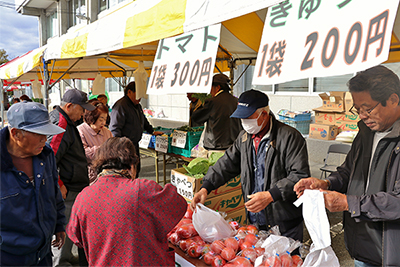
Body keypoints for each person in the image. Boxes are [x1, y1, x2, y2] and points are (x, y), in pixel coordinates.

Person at [294, 65, 400, 266]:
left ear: (393, 100)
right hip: (361, 246)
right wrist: (325, 183)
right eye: (357, 109)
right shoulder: (366, 132)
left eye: (368, 109)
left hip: (391, 253)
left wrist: (349, 204)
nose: (362, 115)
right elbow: (348, 171)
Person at [191, 89, 310, 242]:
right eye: (242, 118)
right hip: (255, 220)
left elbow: (299, 176)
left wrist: (271, 195)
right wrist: (205, 187)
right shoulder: (244, 138)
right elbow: (226, 163)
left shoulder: (290, 137)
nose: (244, 122)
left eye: (248, 117)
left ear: (264, 115)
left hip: (284, 222)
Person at [66, 137, 187, 266]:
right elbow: (178, 204)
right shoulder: (142, 190)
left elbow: (76, 237)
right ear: (132, 164)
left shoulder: (83, 197)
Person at [1, 101, 66, 266]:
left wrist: (59, 224)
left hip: (43, 254)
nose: (45, 140)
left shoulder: (46, 154)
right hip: (8, 258)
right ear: (15, 133)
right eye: (39, 134)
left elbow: (54, 193)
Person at [47, 88, 95, 267]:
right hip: (67, 188)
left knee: (70, 227)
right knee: (64, 227)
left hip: (73, 185)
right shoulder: (61, 124)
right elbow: (49, 157)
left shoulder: (66, 122)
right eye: (81, 109)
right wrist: (59, 183)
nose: (83, 113)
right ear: (69, 106)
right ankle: (60, 262)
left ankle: (66, 258)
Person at [109, 81, 162, 177]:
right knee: (126, 172)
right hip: (124, 147)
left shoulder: (137, 106)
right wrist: (120, 147)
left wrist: (152, 131)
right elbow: (115, 129)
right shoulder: (121, 106)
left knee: (136, 170)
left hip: (134, 144)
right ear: (129, 92)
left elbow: (143, 120)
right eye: (138, 94)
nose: (140, 98)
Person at [191, 73, 242, 150]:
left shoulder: (212, 102)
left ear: (218, 87)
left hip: (216, 146)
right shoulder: (236, 101)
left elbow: (196, 117)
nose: (210, 91)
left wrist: (200, 106)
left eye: (211, 88)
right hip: (234, 146)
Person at [78, 100, 113, 184]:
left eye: (105, 119)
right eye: (101, 119)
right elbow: (83, 153)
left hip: (107, 174)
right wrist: (103, 149)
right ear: (92, 117)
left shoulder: (107, 132)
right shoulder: (80, 131)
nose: (104, 123)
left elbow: (113, 148)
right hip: (89, 177)